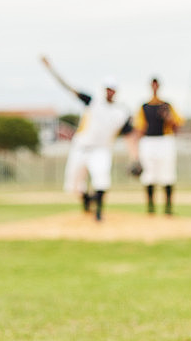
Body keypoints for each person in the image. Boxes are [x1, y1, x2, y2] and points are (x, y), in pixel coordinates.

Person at [41, 56, 136, 221]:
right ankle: (87, 201)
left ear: (116, 91)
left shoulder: (121, 112)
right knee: (73, 186)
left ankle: (98, 212)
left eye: (112, 89)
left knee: (101, 179)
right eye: (108, 88)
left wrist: (135, 157)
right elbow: (68, 87)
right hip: (80, 148)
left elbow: (130, 135)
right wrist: (51, 68)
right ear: (104, 89)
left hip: (101, 149)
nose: (110, 92)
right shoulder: (93, 102)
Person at [133, 78, 184, 215]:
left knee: (168, 174)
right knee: (148, 175)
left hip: (165, 140)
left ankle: (168, 208)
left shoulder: (167, 105)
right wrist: (136, 150)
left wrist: (168, 117)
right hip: (148, 141)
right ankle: (151, 207)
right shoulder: (144, 106)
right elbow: (139, 128)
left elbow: (177, 125)